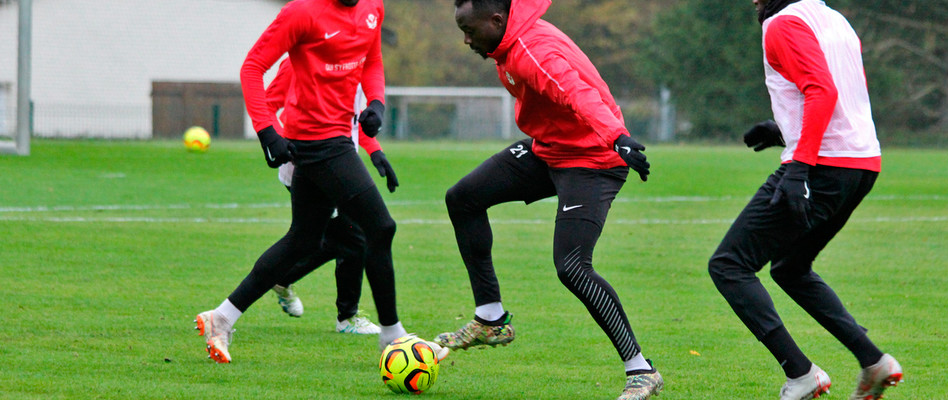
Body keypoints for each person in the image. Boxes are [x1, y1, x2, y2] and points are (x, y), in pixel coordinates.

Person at [439, 1, 661, 399]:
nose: (467, 41)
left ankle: (641, 371)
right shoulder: (508, 42)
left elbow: (577, 93)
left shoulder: (532, 52)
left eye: (470, 31)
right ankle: (490, 319)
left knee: (572, 266)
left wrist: (617, 137)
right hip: (550, 150)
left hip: (593, 160)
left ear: (497, 20)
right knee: (463, 198)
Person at [194, 0, 420, 364]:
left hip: (335, 141)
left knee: (303, 240)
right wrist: (267, 131)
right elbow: (252, 68)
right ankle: (393, 336)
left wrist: (377, 103)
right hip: (318, 144)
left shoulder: (373, 8)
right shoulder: (301, 12)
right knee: (380, 227)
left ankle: (222, 317)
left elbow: (372, 61)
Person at [707, 1, 903, 399]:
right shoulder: (835, 19)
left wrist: (798, 167)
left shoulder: (783, 23)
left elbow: (822, 90)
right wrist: (785, 129)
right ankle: (874, 362)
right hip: (861, 165)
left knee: (729, 265)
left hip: (822, 166)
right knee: (790, 268)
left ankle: (801, 374)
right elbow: (843, 96)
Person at [263, 59, 397, 335]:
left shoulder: (352, 59)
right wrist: (280, 142)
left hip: (341, 165)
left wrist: (375, 151)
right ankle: (347, 318)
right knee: (355, 237)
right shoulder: (298, 60)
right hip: (309, 167)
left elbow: (352, 119)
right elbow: (267, 106)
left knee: (332, 239)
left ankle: (281, 278)